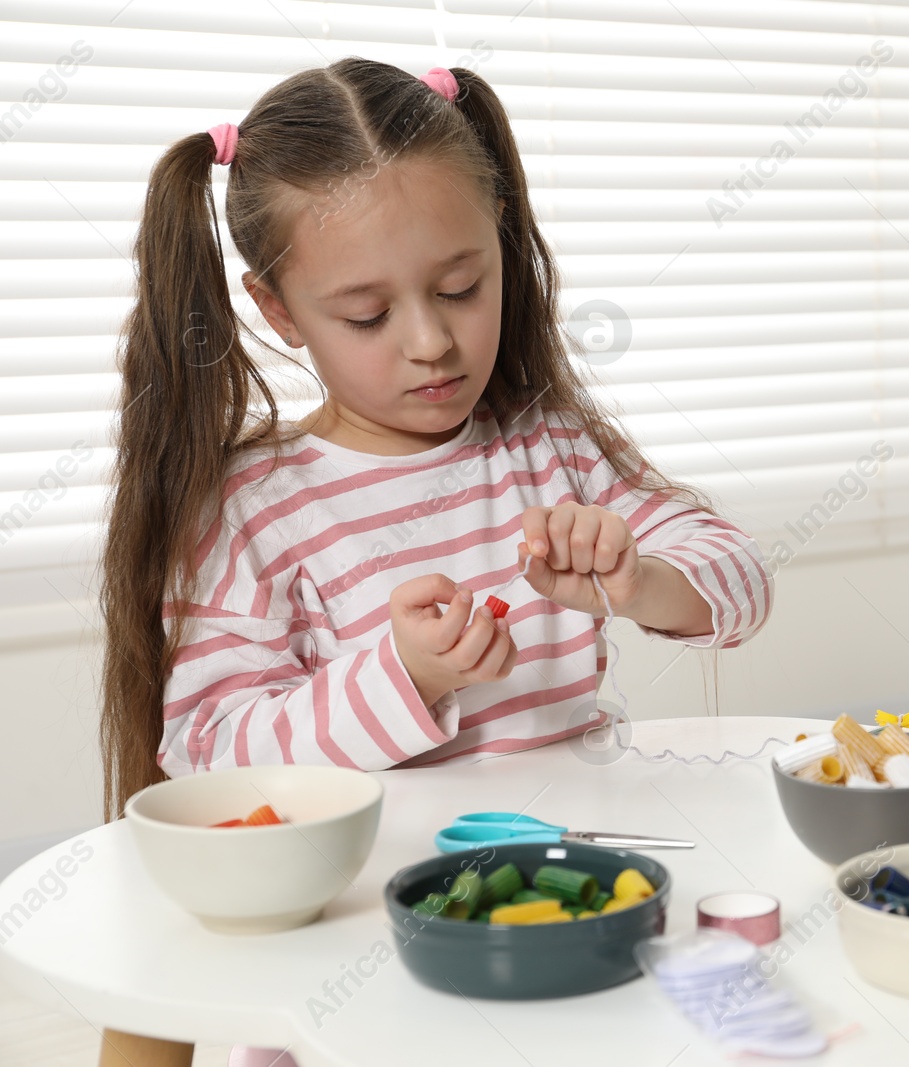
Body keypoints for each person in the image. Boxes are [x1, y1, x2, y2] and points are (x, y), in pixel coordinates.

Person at [97, 59, 773, 1067]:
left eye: (462, 286)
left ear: (501, 241)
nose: (430, 342)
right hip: (357, 961)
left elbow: (739, 575)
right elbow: (209, 751)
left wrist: (642, 578)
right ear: (280, 312)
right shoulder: (252, 505)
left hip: (575, 920)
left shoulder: (551, 445)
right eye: (366, 315)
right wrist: (400, 676)